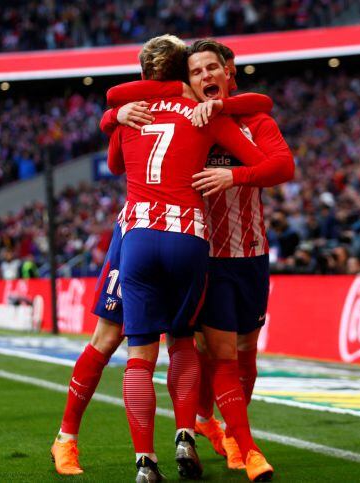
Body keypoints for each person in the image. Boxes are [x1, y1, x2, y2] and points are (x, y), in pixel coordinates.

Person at [105, 39, 293, 479]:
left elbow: (282, 166)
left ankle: (211, 425)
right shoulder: (194, 117)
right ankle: (239, 443)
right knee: (213, 350)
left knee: (244, 351)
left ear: (229, 71)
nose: (206, 76)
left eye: (213, 68)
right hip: (205, 251)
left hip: (250, 251)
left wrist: (234, 175)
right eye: (196, 71)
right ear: (184, 82)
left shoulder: (254, 119)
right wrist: (115, 113)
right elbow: (117, 108)